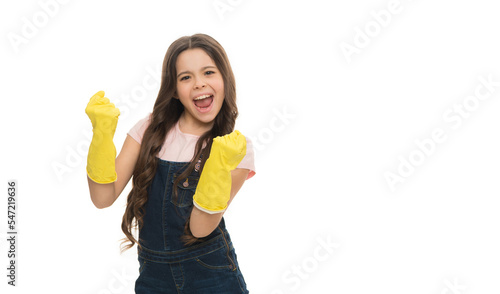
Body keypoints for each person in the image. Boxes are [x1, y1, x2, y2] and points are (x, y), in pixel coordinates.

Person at [85, 33, 255, 293]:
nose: (199, 84)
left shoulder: (236, 150)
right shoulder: (150, 129)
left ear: (224, 78)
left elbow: (199, 229)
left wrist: (218, 165)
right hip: (153, 277)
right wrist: (101, 136)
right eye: (185, 77)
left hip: (213, 276)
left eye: (209, 72)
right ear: (174, 90)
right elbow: (102, 197)